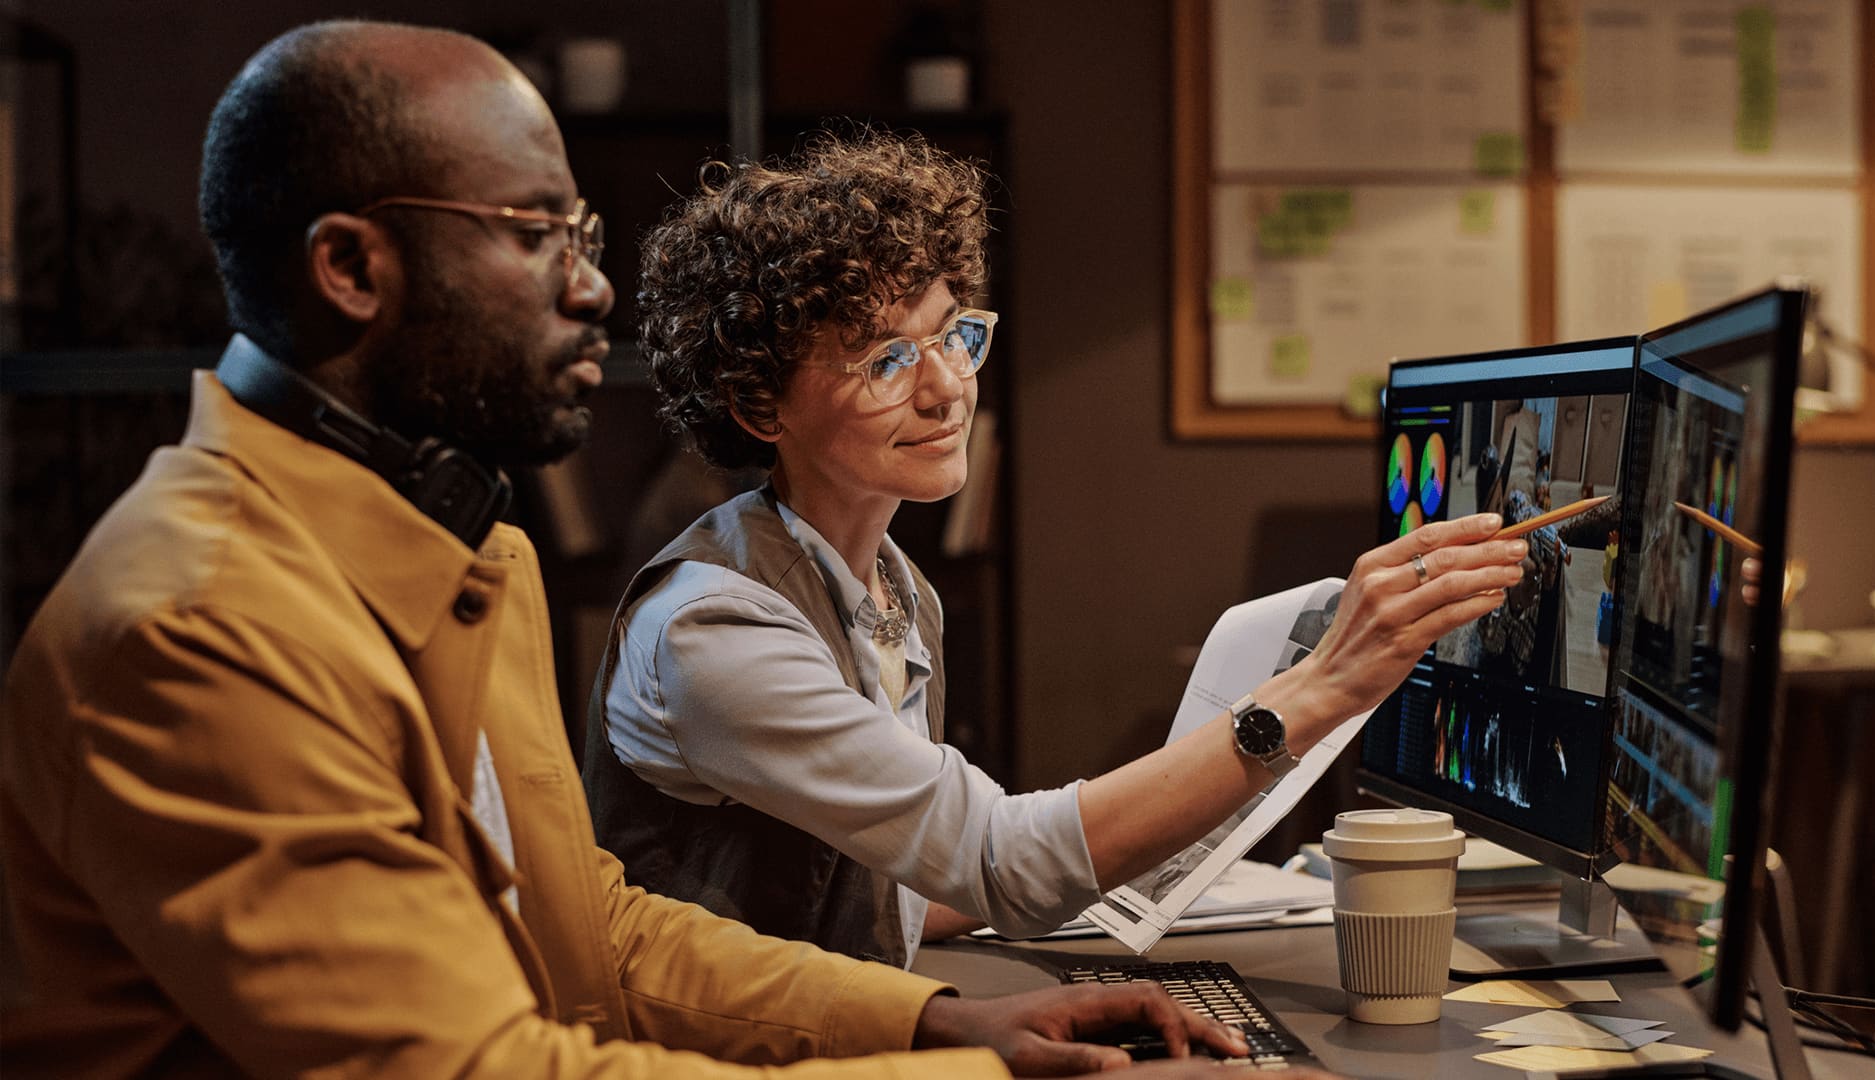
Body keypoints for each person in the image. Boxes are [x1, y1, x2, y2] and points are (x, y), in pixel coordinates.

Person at [0, 22, 1267, 1078]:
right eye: (534, 232)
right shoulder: (202, 619)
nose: (594, 288)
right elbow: (472, 1070)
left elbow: (587, 934)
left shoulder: (450, 551)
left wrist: (944, 1019)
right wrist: (967, 1073)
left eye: (584, 237)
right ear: (349, 267)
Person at [583, 132, 1529, 966]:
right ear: (759, 406)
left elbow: (905, 874)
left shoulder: (897, 591)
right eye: (886, 360)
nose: (949, 388)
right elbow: (999, 859)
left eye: (954, 335)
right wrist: (1326, 683)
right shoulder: (714, 628)